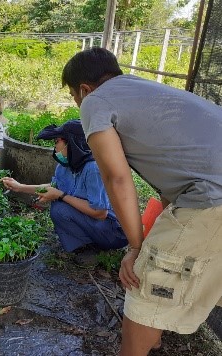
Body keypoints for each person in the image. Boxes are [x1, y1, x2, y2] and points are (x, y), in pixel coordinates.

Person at [62, 47, 222, 355]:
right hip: (208, 189)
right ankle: (155, 339)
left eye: (73, 95)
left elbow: (117, 178)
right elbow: (176, 169)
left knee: (144, 282)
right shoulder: (144, 89)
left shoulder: (95, 100)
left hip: (212, 197)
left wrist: (136, 248)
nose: (77, 102)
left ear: (83, 89)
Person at [0, 119, 128, 264]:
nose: (55, 147)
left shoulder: (93, 169)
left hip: (112, 230)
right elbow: (53, 186)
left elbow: (100, 213)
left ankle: (99, 247)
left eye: (57, 142)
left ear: (72, 143)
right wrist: (20, 187)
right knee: (59, 208)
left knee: (60, 207)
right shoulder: (65, 166)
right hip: (93, 223)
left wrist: (60, 195)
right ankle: (87, 247)